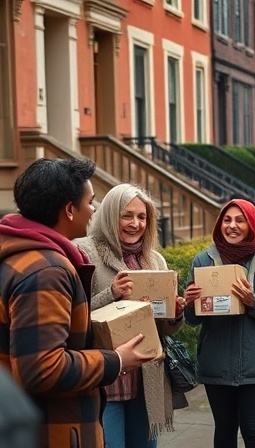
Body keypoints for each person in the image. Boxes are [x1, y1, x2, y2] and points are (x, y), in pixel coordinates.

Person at [0, 158, 152, 447]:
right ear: (70, 210)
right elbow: (43, 368)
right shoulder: (46, 270)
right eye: (90, 202)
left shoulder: (22, 254)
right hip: (52, 430)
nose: (93, 210)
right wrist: (116, 360)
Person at [75, 183, 188, 447]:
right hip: (105, 380)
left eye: (142, 217)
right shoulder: (84, 252)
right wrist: (111, 294)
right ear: (111, 214)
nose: (135, 224)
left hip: (145, 379)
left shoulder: (155, 260)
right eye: (127, 215)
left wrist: (174, 314)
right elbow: (73, 316)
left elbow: (164, 328)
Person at [183, 199, 255, 448]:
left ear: (251, 225)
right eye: (227, 220)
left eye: (240, 220)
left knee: (254, 431)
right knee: (224, 430)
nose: (232, 226)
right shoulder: (203, 260)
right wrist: (190, 304)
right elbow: (191, 320)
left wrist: (253, 302)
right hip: (216, 362)